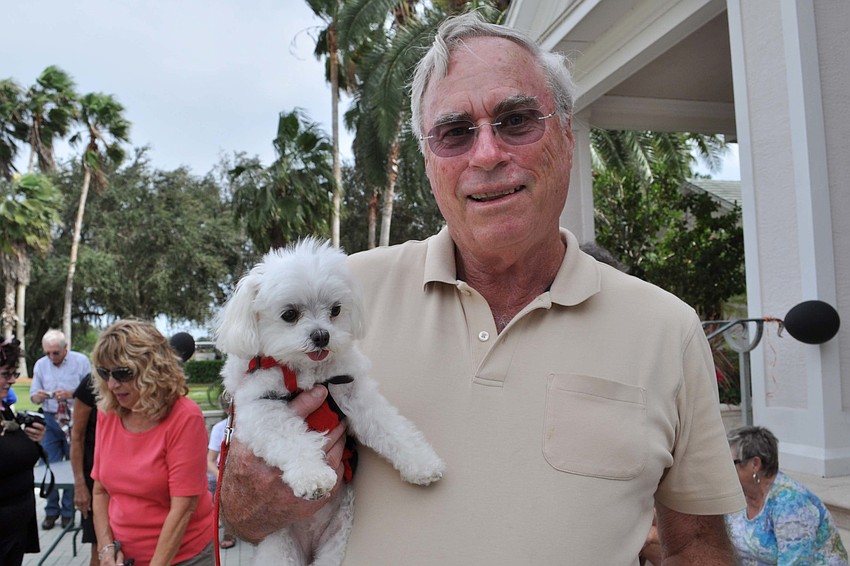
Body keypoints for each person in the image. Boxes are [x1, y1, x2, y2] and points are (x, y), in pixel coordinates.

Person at [219, 12, 745, 564]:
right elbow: (244, 508)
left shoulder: (667, 329)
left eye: (517, 121)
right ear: (428, 163)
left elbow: (697, 544)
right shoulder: (342, 295)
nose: (488, 154)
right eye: (454, 132)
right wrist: (248, 497)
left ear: (567, 136)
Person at [91, 319, 214, 566]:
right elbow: (100, 489)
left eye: (122, 373)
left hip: (184, 556)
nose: (112, 384)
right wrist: (105, 550)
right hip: (123, 555)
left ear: (153, 370)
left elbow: (183, 509)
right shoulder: (108, 411)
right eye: (105, 373)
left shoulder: (184, 416)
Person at [725, 426, 848, 565]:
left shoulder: (791, 504)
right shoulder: (740, 497)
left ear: (755, 464)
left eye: (730, 463)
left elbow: (795, 562)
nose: (724, 469)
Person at [29, 328, 91, 529]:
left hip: (75, 419)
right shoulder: (41, 365)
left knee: (74, 466)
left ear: (66, 349)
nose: (51, 357)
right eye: (47, 353)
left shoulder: (80, 361)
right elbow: (33, 395)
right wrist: (39, 396)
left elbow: (92, 391)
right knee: (50, 465)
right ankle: (51, 511)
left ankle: (68, 512)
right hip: (50, 419)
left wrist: (71, 393)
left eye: (55, 352)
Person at [0, 337, 47, 565]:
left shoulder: (4, 410)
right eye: (5, 374)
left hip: (17, 522)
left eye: (13, 374)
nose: (11, 380)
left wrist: (34, 440)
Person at [71, 373, 98, 566]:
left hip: (127, 479)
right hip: (94, 478)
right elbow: (77, 437)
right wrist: (80, 484)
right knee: (99, 546)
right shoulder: (91, 384)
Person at [206, 392, 235, 550]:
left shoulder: (253, 426)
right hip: (222, 471)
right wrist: (222, 478)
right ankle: (228, 532)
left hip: (242, 473)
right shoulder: (220, 429)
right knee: (222, 492)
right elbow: (209, 461)